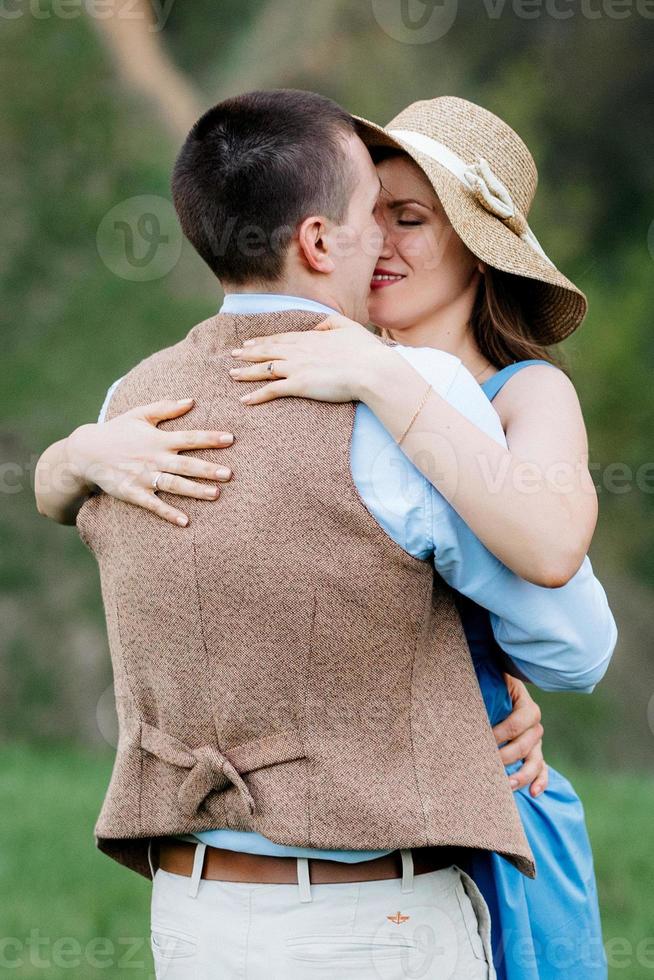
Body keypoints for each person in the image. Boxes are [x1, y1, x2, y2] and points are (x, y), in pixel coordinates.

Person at [34, 90, 617, 979]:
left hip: (493, 814)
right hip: (385, 853)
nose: (379, 240)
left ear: (479, 250)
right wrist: (73, 458)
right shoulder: (293, 377)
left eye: (409, 219)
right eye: (369, 214)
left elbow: (558, 589)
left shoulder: (515, 392)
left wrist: (382, 379)